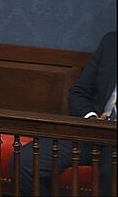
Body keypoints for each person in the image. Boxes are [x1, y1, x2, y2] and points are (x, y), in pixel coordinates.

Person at [12, 31, 116, 196]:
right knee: (26, 159)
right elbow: (78, 93)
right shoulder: (111, 41)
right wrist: (92, 119)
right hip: (93, 131)